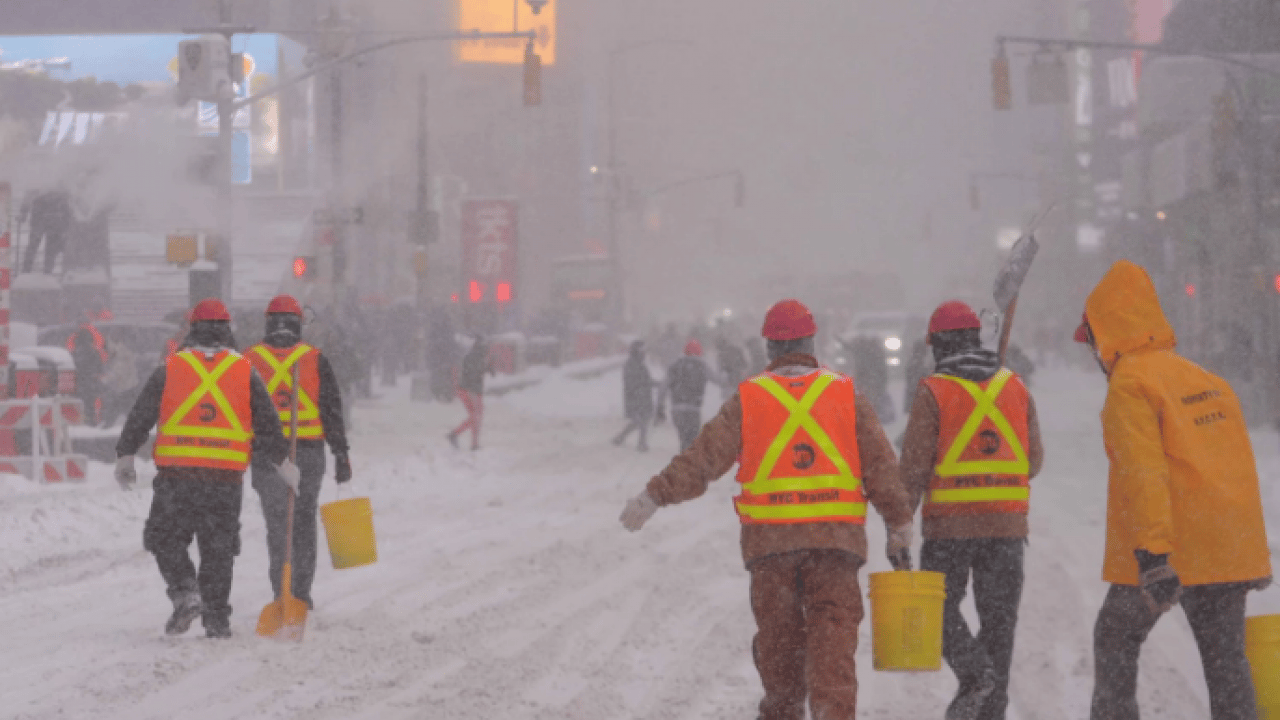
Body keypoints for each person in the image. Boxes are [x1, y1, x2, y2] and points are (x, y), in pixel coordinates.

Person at [620, 299, 914, 720]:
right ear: (811, 343)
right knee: (832, 655)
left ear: (769, 347)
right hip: (834, 547)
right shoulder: (845, 394)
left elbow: (703, 458)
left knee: (781, 662)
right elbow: (882, 467)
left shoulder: (750, 398)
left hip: (772, 550)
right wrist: (899, 525)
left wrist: (654, 496)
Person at [1076, 260, 1272, 720]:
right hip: (1226, 548)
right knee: (1227, 664)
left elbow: (1143, 473)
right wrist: (1250, 555)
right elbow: (1238, 469)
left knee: (1115, 639)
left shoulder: (1130, 385)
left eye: (1091, 339)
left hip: (1170, 548)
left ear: (1105, 331)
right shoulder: (1207, 380)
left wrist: (1153, 556)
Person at [113, 298, 295, 639]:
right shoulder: (244, 370)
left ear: (192, 330)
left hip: (178, 476)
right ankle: (217, 619)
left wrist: (126, 454)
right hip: (224, 479)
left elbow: (141, 414)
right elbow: (268, 424)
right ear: (228, 331)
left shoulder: (170, 368)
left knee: (164, 538)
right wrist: (283, 462)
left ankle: (185, 592)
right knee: (219, 548)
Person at [900, 301, 1045, 720]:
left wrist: (899, 523)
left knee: (937, 613)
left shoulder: (933, 391)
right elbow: (1033, 461)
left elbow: (913, 469)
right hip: (1006, 529)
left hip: (949, 530)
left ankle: (975, 675)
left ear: (938, 345)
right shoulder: (1015, 387)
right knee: (999, 625)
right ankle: (990, 708)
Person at [246, 295, 353, 610]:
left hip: (266, 455)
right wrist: (341, 454)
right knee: (303, 522)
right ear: (299, 323)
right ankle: (301, 593)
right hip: (308, 453)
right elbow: (332, 411)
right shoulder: (315, 359)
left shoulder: (248, 359)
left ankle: (281, 593)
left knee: (278, 525)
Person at [656, 339, 713, 451]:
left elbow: (663, 388)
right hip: (694, 409)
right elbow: (719, 380)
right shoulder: (702, 366)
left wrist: (660, 407)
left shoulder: (675, 365)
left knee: (684, 438)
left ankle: (685, 454)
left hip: (677, 409)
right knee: (692, 439)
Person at [448, 335, 492, 450]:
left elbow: (476, 371)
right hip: (470, 391)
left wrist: (487, 368)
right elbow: (473, 373)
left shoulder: (477, 356)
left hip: (469, 390)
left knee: (475, 417)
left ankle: (469, 441)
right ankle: (458, 436)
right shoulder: (475, 357)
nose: (487, 349)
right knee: (476, 416)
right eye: (486, 346)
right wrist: (485, 368)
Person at [67, 308, 109, 426]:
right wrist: (99, 375)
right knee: (92, 401)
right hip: (91, 381)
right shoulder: (95, 344)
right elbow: (101, 363)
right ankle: (91, 420)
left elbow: (71, 360)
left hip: (79, 381)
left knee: (80, 401)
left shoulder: (74, 347)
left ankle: (79, 420)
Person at [613, 340, 656, 452]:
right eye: (642, 350)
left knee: (639, 421)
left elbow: (645, 380)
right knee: (642, 420)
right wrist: (647, 385)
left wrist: (658, 384)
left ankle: (621, 438)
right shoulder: (632, 364)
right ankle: (641, 443)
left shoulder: (638, 364)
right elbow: (637, 381)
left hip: (641, 397)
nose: (644, 353)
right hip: (637, 397)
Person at [20, 188, 71, 274]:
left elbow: (29, 195)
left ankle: (29, 270)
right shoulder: (58, 187)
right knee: (44, 247)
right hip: (49, 217)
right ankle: (43, 271)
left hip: (45, 217)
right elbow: (66, 200)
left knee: (37, 246)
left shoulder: (41, 187)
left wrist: (23, 212)